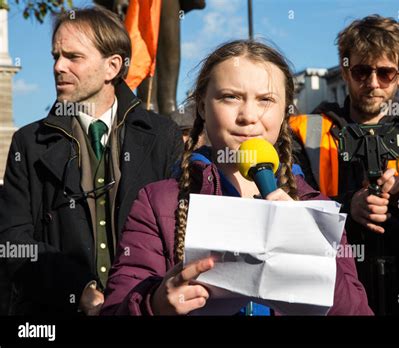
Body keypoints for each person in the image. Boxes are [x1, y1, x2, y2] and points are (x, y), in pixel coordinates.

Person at [100, 40, 373, 316]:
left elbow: (356, 311)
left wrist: (312, 252)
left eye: (266, 100)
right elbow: (115, 308)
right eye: (230, 97)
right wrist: (155, 304)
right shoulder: (158, 202)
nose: (248, 116)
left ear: (285, 112)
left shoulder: (315, 207)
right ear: (203, 107)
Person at [0, 6, 183, 315]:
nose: (58, 67)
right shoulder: (28, 142)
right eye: (55, 56)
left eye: (73, 57)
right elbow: (12, 240)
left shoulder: (163, 136)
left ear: (112, 67)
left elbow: (178, 235)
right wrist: (78, 288)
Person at [289, 15, 399, 315]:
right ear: (345, 72)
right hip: (337, 292)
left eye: (385, 72)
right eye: (361, 71)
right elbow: (290, 209)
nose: (372, 83)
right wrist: (347, 207)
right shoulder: (305, 130)